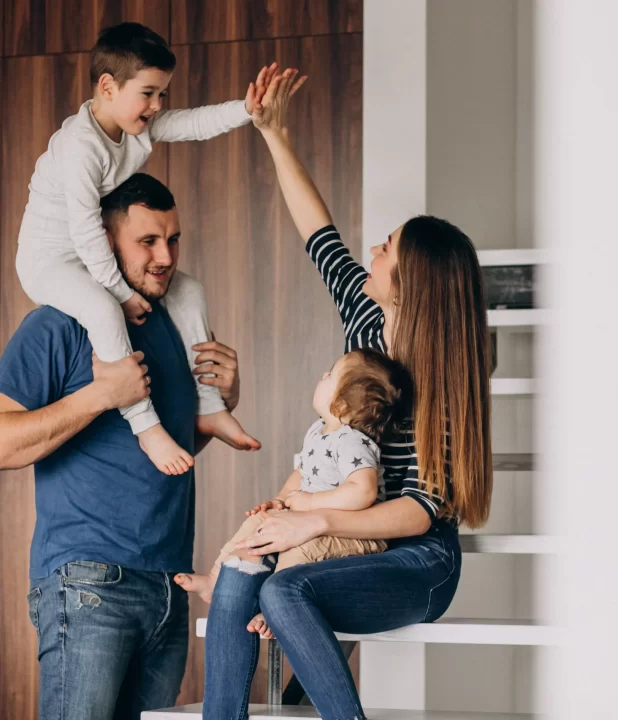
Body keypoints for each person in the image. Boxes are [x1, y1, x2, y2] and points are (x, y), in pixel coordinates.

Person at [200, 71, 494, 720]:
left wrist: (315, 519)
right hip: (347, 545)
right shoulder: (366, 324)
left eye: (389, 247)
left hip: (416, 561)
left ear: (411, 282)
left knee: (286, 594)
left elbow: (421, 510)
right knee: (241, 569)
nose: (374, 247)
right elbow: (319, 235)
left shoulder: (445, 377)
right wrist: (273, 134)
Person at [0, 173, 245, 720]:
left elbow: (164, 456)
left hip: (168, 585)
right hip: (88, 583)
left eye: (173, 239)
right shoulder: (56, 325)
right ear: (105, 243)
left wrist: (219, 402)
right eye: (148, 242)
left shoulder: (171, 326)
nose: (165, 256)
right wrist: (99, 397)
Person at [15, 21, 269, 475]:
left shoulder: (134, 128)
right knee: (102, 310)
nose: (156, 107)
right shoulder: (80, 146)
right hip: (51, 260)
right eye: (148, 93)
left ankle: (208, 406)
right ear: (107, 87)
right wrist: (121, 292)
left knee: (188, 289)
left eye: (162, 96)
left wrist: (247, 109)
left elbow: (193, 123)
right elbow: (88, 229)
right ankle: (143, 423)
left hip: (92, 254)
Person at [174, 348, 412, 637]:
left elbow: (362, 492)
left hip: (352, 535)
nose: (323, 375)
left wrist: (311, 502)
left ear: (345, 405)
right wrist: (281, 501)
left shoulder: (353, 442)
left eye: (332, 374)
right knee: (255, 525)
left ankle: (277, 610)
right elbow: (301, 474)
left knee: (298, 553)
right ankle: (216, 578)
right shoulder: (318, 432)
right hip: (311, 521)